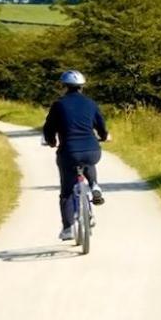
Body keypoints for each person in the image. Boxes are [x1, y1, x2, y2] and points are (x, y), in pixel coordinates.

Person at [42, 70, 108, 240]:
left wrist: (51, 141)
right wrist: (104, 136)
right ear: (82, 87)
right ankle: (94, 185)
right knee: (88, 162)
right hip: (92, 150)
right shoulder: (90, 103)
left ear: (64, 86)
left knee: (66, 192)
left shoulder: (59, 104)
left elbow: (48, 128)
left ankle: (68, 228)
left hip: (69, 152)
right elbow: (101, 125)